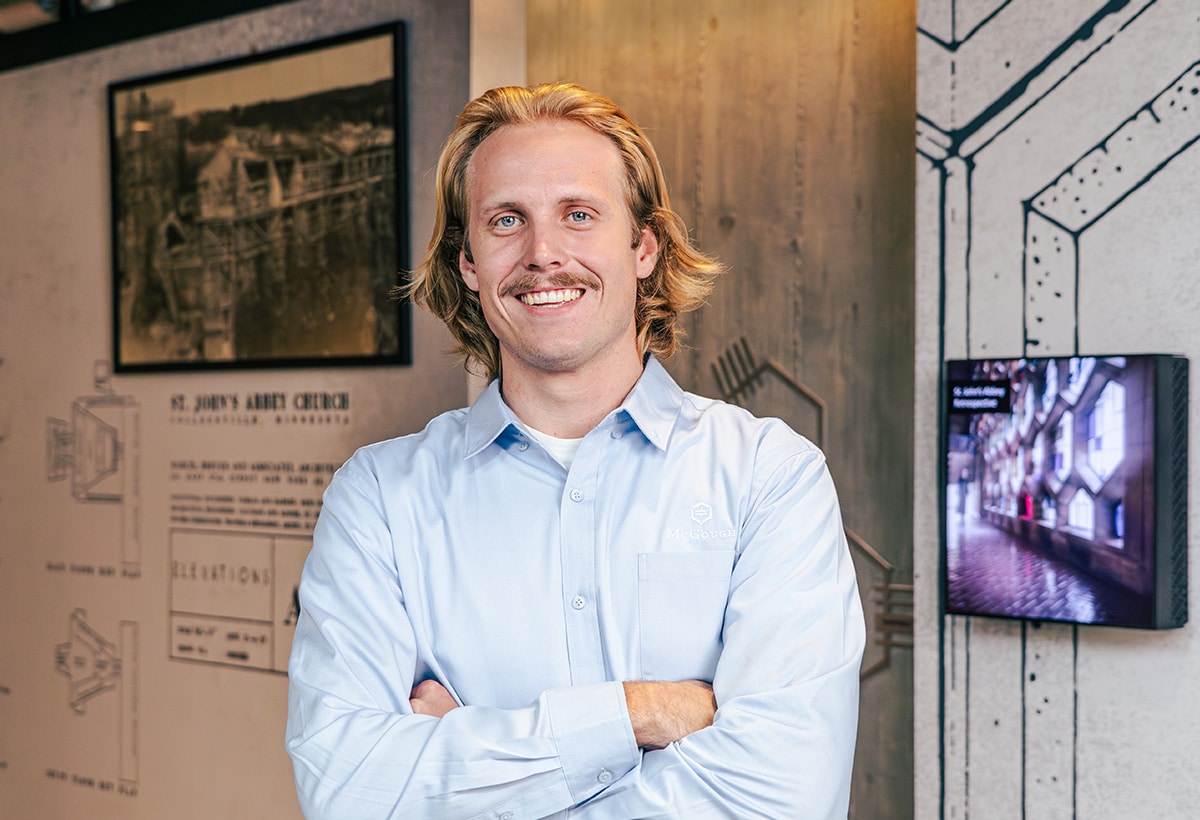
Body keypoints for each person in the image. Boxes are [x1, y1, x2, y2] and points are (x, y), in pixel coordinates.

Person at [286, 82, 865, 819]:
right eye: (505, 221)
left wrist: (467, 753)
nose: (543, 254)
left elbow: (783, 798)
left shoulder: (768, 477)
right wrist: (641, 714)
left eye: (579, 214)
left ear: (645, 246)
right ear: (467, 262)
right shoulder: (378, 498)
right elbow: (347, 792)